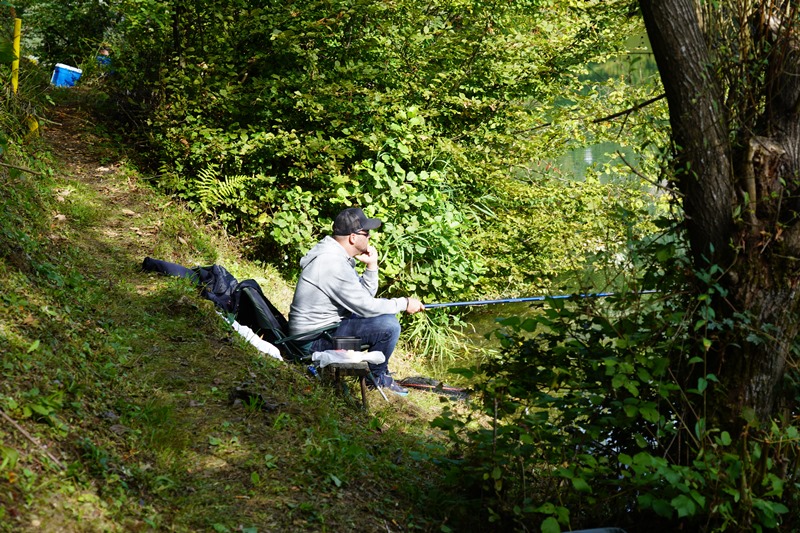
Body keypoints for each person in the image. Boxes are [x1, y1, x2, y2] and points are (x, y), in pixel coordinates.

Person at [288, 207, 425, 395]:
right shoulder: (332, 263)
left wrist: (372, 266)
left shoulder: (336, 255)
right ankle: (376, 378)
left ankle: (377, 373)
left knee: (385, 319)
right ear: (353, 237)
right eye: (366, 233)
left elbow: (363, 297)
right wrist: (404, 303)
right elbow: (366, 307)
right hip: (314, 342)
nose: (370, 237)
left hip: (325, 330)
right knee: (389, 327)